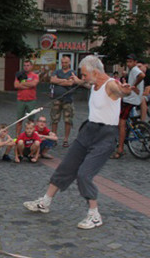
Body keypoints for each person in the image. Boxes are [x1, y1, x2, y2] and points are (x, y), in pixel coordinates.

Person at [23, 55, 132, 230]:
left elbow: (121, 91)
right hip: (88, 131)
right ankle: (45, 202)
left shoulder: (111, 84)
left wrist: (126, 90)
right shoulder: (95, 83)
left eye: (84, 74)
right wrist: (78, 81)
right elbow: (89, 84)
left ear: (95, 72)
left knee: (84, 174)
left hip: (105, 136)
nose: (83, 77)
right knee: (66, 166)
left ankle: (94, 214)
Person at [113, 54, 145, 159]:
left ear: (135, 62)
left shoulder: (135, 70)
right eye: (127, 61)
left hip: (130, 100)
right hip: (130, 99)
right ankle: (125, 135)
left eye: (131, 61)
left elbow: (142, 75)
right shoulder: (132, 71)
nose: (129, 63)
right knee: (125, 120)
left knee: (121, 123)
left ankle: (120, 149)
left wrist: (134, 85)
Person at [50, 55, 76, 147]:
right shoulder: (57, 71)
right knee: (54, 119)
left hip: (68, 99)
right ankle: (54, 138)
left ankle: (66, 139)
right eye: (62, 62)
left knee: (68, 120)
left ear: (69, 63)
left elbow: (71, 83)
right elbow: (52, 80)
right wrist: (65, 80)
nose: (64, 64)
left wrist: (58, 81)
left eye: (66, 62)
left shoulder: (72, 72)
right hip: (57, 99)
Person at [15, 60, 39, 135]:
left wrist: (22, 84)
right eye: (25, 65)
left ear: (31, 66)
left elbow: (34, 84)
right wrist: (28, 84)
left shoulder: (35, 75)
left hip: (31, 100)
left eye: (28, 65)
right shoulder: (19, 75)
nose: (26, 67)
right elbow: (16, 85)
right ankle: (17, 137)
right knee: (19, 120)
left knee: (31, 120)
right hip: (21, 100)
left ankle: (31, 136)